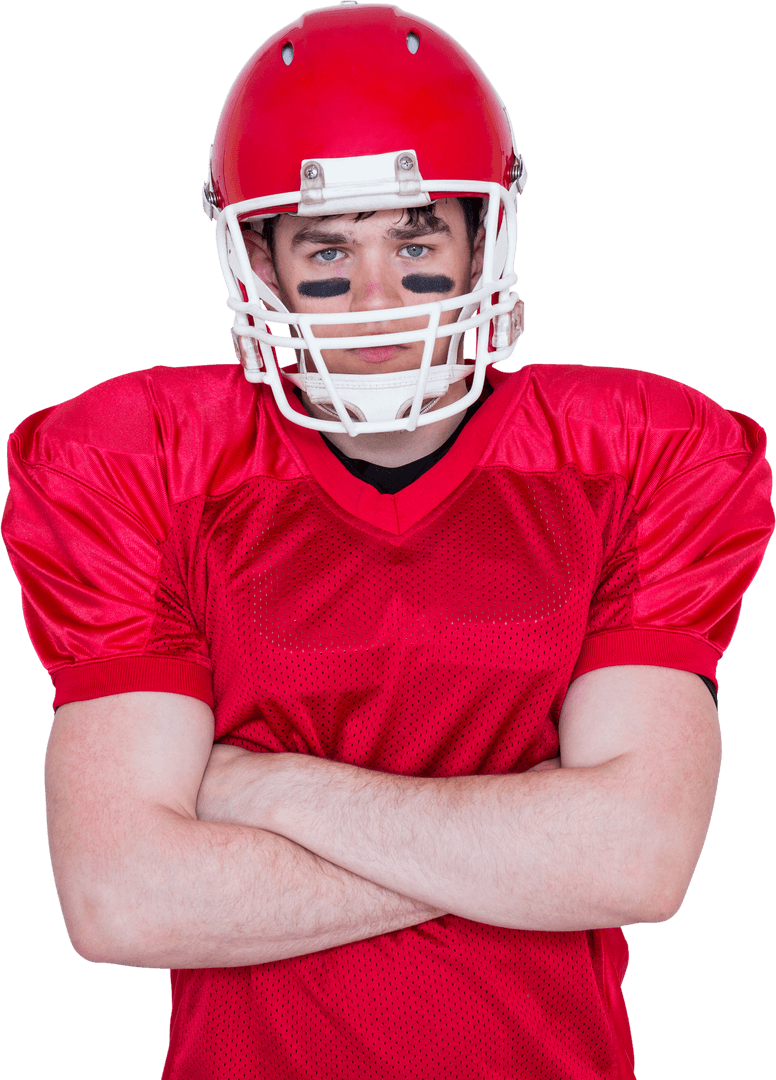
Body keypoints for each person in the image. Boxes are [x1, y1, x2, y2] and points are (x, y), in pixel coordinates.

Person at [2, 4, 773, 1079]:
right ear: (259, 263)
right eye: (329, 247)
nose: (374, 297)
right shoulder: (147, 467)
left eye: (413, 240)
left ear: (476, 241)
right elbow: (121, 900)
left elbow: (633, 863)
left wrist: (266, 790)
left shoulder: (632, 457)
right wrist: (529, 854)